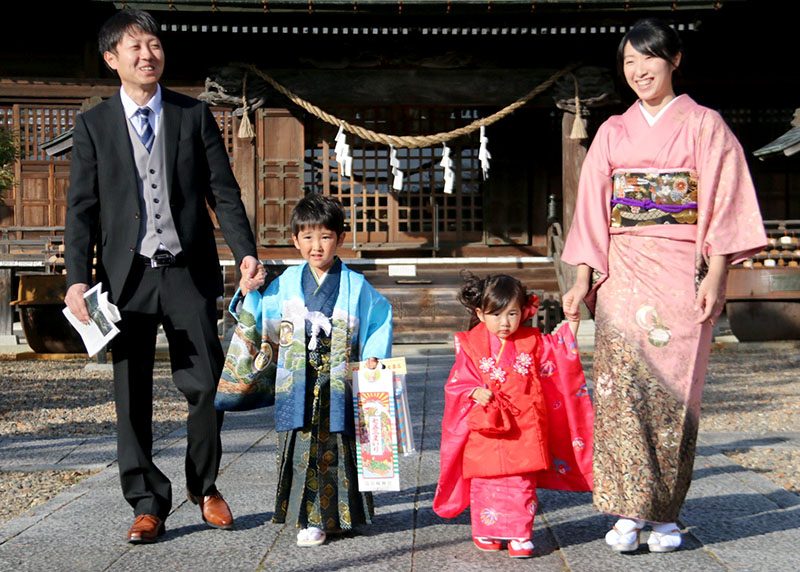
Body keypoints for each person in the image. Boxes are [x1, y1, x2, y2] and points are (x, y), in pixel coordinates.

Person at [561, 17, 767, 553]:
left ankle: (666, 516)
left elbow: (723, 200)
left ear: (674, 60)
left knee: (676, 392)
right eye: (628, 61)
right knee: (620, 390)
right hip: (623, 272)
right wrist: (582, 278)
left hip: (681, 271)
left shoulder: (705, 125)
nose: (637, 70)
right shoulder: (612, 131)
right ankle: (628, 511)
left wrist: (717, 273)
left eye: (647, 58)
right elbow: (591, 209)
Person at [64, 9, 265, 544]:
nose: (147, 54)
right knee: (130, 396)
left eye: (152, 44)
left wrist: (244, 251)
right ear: (112, 60)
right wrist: (76, 278)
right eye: (134, 47)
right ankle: (148, 502)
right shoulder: (93, 124)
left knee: (206, 388)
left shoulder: (193, 115)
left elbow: (223, 191)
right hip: (125, 279)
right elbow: (81, 207)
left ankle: (204, 489)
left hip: (187, 272)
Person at [232, 193, 392, 547]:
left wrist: (373, 356)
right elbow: (260, 316)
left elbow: (380, 318)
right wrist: (249, 293)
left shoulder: (355, 284)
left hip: (338, 379)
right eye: (307, 237)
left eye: (325, 236)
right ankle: (310, 518)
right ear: (295, 240)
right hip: (299, 379)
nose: (316, 246)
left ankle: (343, 515)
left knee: (339, 442)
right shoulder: (287, 282)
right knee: (303, 447)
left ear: (340, 239)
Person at [433, 273, 593, 559]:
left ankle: (520, 533)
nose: (504, 323)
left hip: (523, 425)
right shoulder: (470, 344)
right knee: (485, 480)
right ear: (480, 314)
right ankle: (487, 529)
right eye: (496, 314)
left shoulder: (532, 341)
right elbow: (457, 381)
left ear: (523, 312)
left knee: (520, 481)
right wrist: (473, 391)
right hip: (486, 425)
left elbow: (557, 354)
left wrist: (573, 324)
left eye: (512, 314)